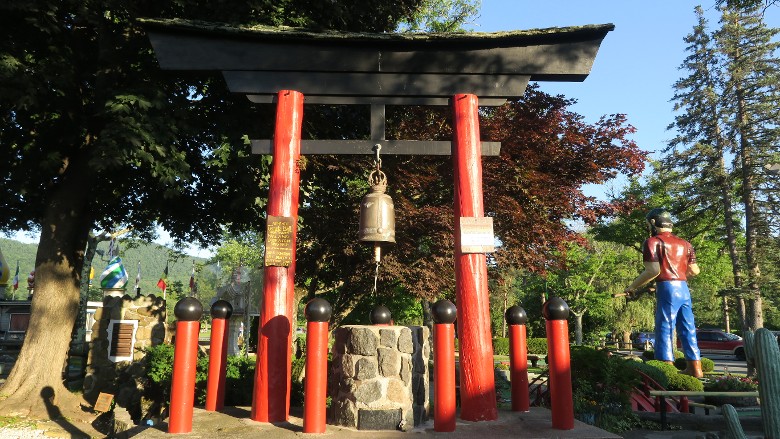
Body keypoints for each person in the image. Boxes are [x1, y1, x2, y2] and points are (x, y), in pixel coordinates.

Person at [624, 208, 703, 378]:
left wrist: (632, 287)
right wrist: (679, 275)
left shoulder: (653, 242)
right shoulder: (686, 244)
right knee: (688, 327)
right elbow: (695, 270)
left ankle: (664, 368)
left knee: (665, 325)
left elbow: (652, 270)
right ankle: (695, 368)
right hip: (683, 287)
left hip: (667, 288)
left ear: (653, 222)